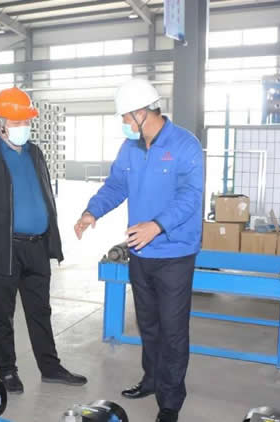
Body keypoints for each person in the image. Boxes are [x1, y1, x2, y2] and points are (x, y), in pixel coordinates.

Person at [74, 79, 203, 422]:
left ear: (143, 112)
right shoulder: (130, 148)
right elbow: (116, 185)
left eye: (126, 117)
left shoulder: (185, 145)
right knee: (148, 324)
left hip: (174, 253)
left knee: (172, 329)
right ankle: (152, 379)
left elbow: (191, 196)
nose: (124, 123)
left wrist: (157, 225)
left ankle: (171, 401)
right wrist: (92, 211)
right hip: (141, 253)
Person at [0, 87, 87, 394]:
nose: (22, 127)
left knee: (40, 311)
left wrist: (50, 239)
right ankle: (7, 371)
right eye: (16, 122)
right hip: (2, 250)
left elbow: (44, 195)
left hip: (37, 246)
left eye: (25, 121)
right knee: (1, 315)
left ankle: (50, 367)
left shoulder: (35, 153)